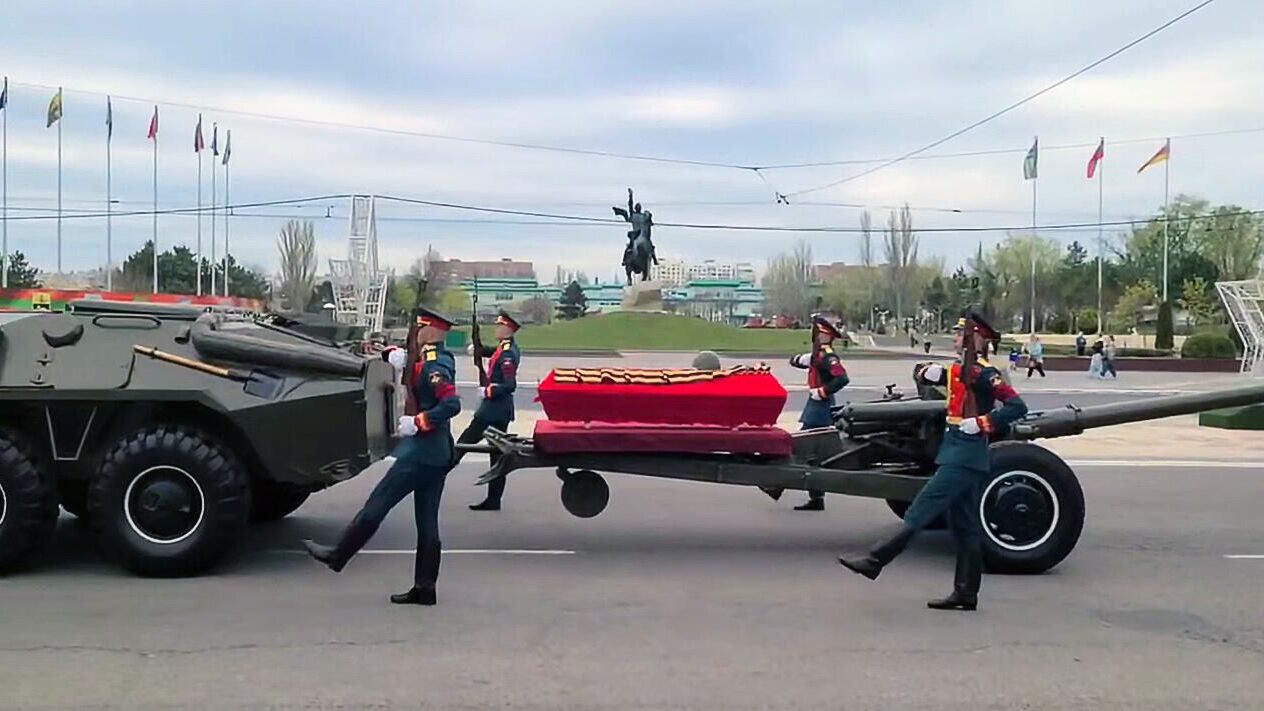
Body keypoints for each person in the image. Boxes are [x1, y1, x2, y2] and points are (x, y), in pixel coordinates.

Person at [838, 310, 1027, 610]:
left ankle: (875, 560)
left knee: (922, 508)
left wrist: (983, 423)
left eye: (960, 334)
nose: (955, 338)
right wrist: (932, 372)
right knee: (965, 526)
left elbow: (1017, 406)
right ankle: (966, 593)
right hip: (956, 451)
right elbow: (954, 386)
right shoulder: (963, 368)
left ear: (976, 338)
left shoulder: (984, 373)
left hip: (965, 455)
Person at [300, 306, 461, 606]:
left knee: (378, 503)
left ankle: (338, 555)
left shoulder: (434, 364)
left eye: (420, 327)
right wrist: (391, 354)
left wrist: (419, 421)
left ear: (432, 330)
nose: (417, 332)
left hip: (422, 453)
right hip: (438, 454)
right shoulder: (432, 358)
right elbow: (416, 373)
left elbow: (451, 404)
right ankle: (425, 588)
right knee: (427, 522)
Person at [766, 314, 850, 511]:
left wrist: (823, 392)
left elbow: (842, 378)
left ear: (826, 336)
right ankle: (815, 497)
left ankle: (777, 485)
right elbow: (802, 362)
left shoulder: (828, 356)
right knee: (813, 453)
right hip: (817, 404)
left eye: (820, 334)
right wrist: (799, 360)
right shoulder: (818, 356)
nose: (817, 337)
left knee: (801, 446)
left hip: (821, 405)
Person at [455, 310, 522, 511]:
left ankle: (436, 474)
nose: (497, 328)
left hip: (493, 411)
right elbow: (490, 352)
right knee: (496, 456)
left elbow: (510, 385)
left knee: (464, 444)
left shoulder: (508, 353)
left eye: (500, 325)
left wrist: (489, 390)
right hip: (497, 410)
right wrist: (477, 346)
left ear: (509, 329)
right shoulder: (504, 348)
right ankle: (493, 500)